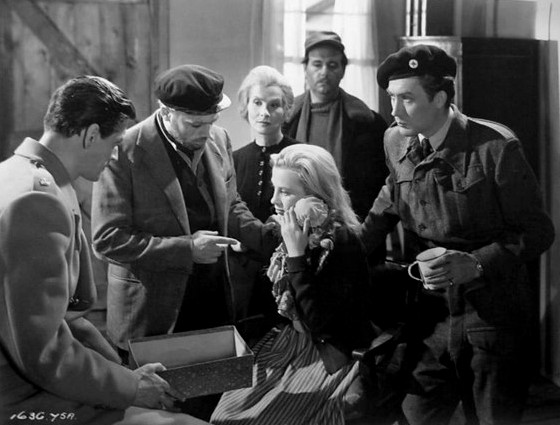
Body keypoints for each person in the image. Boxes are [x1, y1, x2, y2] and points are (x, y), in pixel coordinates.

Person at [358, 44, 555, 425]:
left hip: (492, 318)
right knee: (416, 415)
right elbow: (389, 201)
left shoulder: (496, 147)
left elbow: (538, 231)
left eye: (406, 98)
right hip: (431, 316)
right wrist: (343, 249)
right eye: (391, 98)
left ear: (440, 98)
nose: (394, 110)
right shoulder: (396, 139)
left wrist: (476, 263)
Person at [0, 75, 202, 425]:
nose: (114, 155)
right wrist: (130, 388)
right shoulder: (37, 200)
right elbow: (43, 352)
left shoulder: (19, 174)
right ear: (91, 135)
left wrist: (127, 376)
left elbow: (69, 318)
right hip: (21, 396)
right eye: (114, 143)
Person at [91, 65, 276, 419]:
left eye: (210, 121)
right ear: (165, 113)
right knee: (158, 413)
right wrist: (187, 249)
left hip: (212, 303)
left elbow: (231, 205)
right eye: (194, 125)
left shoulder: (219, 138)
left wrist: (272, 238)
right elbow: (107, 238)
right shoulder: (125, 150)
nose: (205, 132)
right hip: (153, 313)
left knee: (211, 407)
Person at [210, 144, 376, 425]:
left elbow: (319, 322)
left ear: (316, 197)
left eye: (285, 192)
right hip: (287, 342)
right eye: (275, 189)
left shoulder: (341, 242)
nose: (274, 200)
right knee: (224, 415)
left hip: (326, 351)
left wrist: (297, 258)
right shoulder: (290, 232)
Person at [283, 31, 388, 227]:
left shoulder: (368, 122)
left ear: (342, 71)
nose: (324, 72)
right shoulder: (287, 119)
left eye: (332, 65)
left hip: (352, 223)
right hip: (296, 221)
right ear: (305, 68)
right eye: (317, 64)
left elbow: (379, 185)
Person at [229, 65, 299, 336]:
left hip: (289, 272)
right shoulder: (233, 160)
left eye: (274, 105)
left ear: (286, 110)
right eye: (257, 103)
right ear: (245, 106)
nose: (264, 112)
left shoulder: (300, 155)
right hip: (242, 275)